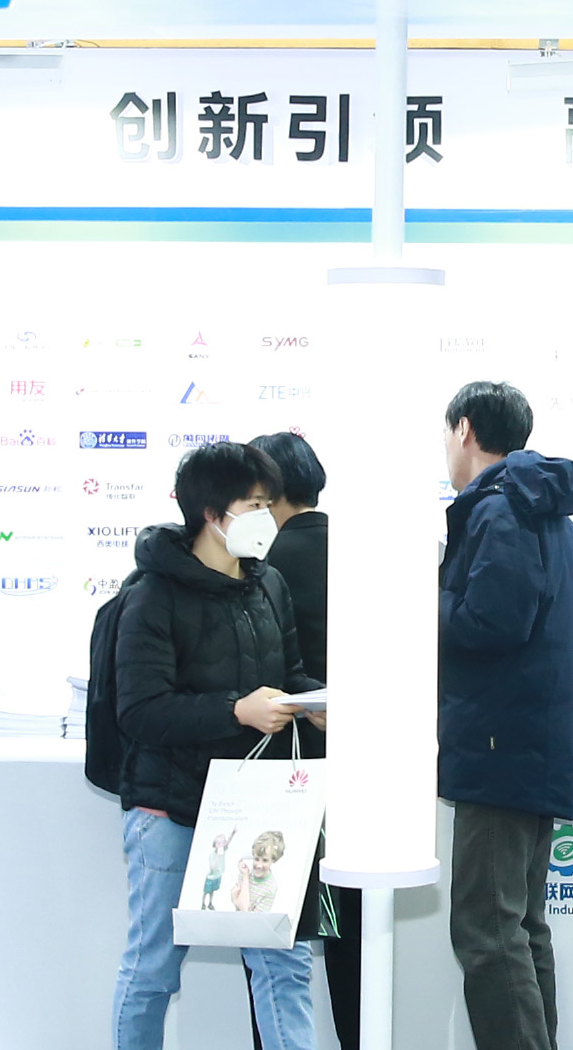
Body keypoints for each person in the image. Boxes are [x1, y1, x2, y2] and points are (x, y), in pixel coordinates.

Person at [107, 441, 329, 1050]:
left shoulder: (268, 582)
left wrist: (313, 704)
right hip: (172, 809)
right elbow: (140, 711)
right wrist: (235, 710)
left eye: (267, 502)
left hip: (256, 806)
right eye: (253, 504)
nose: (266, 515)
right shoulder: (152, 594)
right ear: (212, 513)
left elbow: (289, 672)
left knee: (283, 962)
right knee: (153, 968)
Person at [436, 381, 573, 1050]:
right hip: (528, 742)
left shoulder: (501, 511)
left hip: (497, 744)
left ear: (465, 429)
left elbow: (491, 622)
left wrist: (422, 600)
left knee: (488, 930)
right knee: (519, 928)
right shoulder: (545, 512)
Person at [248, 430, 363, 1050]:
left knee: (274, 938)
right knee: (351, 938)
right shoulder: (363, 553)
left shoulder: (259, 568)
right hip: (358, 778)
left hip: (281, 774)